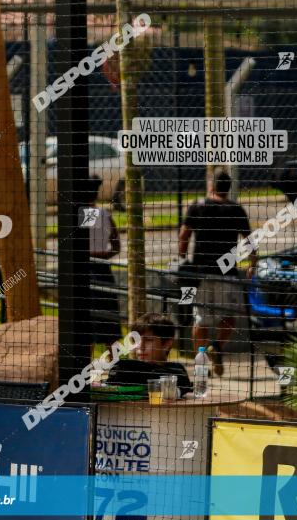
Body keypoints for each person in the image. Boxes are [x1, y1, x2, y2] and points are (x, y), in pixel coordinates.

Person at [178, 170, 255, 375]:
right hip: (226, 273)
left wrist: (182, 259)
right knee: (230, 317)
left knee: (200, 320)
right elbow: (248, 241)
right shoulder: (235, 209)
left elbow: (184, 235)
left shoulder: (197, 205)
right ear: (228, 187)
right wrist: (253, 263)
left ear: (212, 185)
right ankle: (218, 347)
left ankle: (201, 364)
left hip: (200, 274)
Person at [107, 313, 193, 397]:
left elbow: (183, 383)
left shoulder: (177, 370)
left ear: (167, 344)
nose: (141, 347)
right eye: (136, 341)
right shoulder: (126, 368)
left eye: (148, 340)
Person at [86, 175, 122, 347]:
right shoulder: (105, 214)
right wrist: (103, 255)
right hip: (103, 272)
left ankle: (86, 369)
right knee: (109, 324)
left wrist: (88, 255)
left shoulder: (79, 214)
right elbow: (116, 246)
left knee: (86, 325)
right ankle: (115, 366)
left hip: (86, 272)